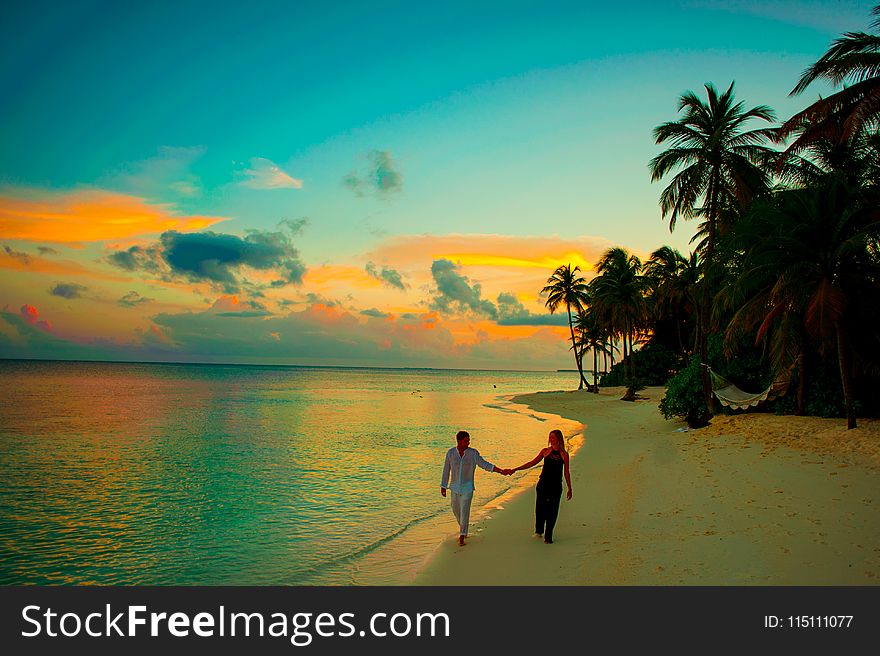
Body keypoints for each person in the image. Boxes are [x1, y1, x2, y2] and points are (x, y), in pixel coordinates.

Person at [440, 430, 510, 546]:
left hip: (467, 488)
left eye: (468, 441)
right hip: (454, 488)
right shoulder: (451, 453)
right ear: (459, 441)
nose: (468, 443)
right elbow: (446, 469)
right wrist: (443, 486)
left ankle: (462, 535)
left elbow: (485, 464)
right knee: (455, 510)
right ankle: (463, 528)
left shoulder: (473, 453)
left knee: (464, 511)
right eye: (465, 441)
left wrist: (501, 471)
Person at [510, 429, 572, 544]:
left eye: (552, 437)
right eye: (550, 437)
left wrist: (570, 488)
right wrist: (516, 469)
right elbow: (531, 463)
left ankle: (548, 537)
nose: (550, 439)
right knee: (540, 508)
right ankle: (539, 531)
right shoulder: (545, 452)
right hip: (543, 484)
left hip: (556, 486)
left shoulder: (564, 455)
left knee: (553, 511)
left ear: (558, 438)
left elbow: (566, 472)